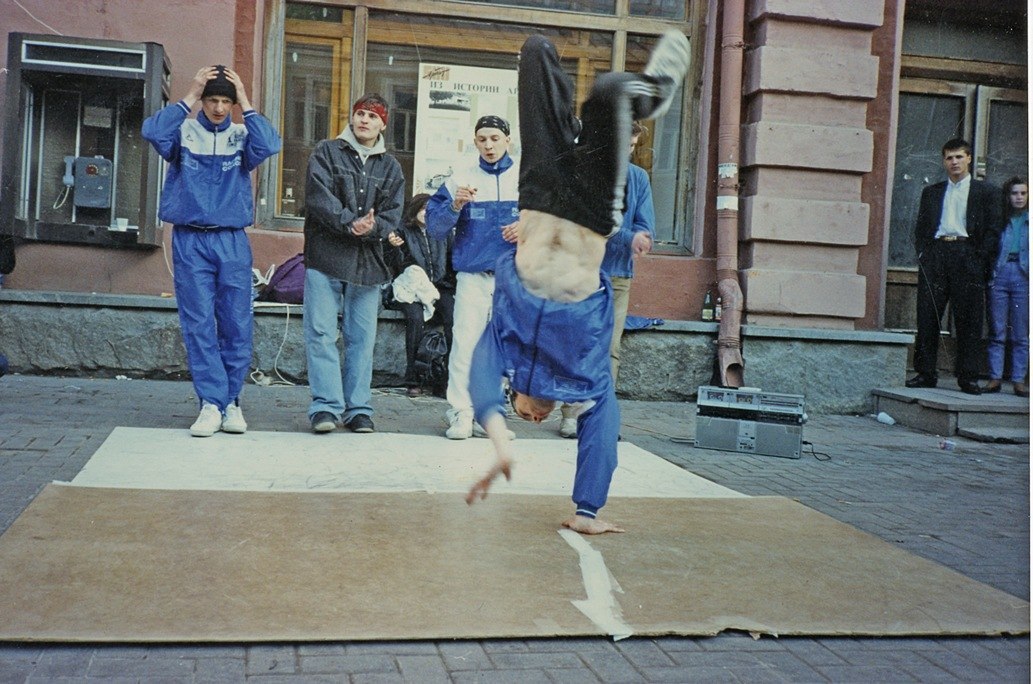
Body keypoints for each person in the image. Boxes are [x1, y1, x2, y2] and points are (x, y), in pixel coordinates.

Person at [465, 31, 690, 534]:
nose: (535, 417)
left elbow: (479, 378)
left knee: (536, 51)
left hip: (540, 197)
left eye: (523, 418)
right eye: (532, 421)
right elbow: (602, 436)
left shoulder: (506, 349)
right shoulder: (586, 382)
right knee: (611, 91)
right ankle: (651, 94)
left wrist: (500, 443)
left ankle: (600, 89)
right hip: (590, 211)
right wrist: (587, 511)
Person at [141, 65, 281, 437]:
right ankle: (209, 403)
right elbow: (152, 131)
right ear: (203, 100)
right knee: (198, 321)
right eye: (212, 99)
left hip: (232, 239)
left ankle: (231, 401)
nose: (219, 107)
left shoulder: (241, 134)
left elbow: (270, 144)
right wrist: (191, 91)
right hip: (189, 238)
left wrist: (246, 101)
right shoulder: (182, 132)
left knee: (236, 321)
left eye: (225, 101)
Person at [303, 94, 405, 434]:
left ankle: (359, 408)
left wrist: (372, 227)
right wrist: (350, 222)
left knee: (362, 337)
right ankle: (326, 407)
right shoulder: (326, 152)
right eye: (359, 114)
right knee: (320, 333)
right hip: (325, 255)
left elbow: (393, 213)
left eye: (372, 117)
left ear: (382, 124)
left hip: (368, 263)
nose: (364, 120)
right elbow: (319, 198)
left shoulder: (391, 167)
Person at [558, 120, 655, 439]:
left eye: (630, 146)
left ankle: (598, 416)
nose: (624, 152)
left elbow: (645, 223)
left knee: (610, 347)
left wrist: (643, 237)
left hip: (618, 273)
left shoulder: (638, 178)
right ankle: (572, 412)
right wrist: (628, 236)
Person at [426, 115, 519, 440]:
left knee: (502, 349)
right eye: (482, 139)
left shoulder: (527, 177)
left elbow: (554, 223)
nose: (489, 145)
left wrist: (529, 225)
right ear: (475, 141)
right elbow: (434, 228)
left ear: (508, 139)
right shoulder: (461, 177)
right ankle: (461, 414)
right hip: (473, 276)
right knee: (465, 345)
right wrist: (454, 205)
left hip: (513, 278)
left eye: (495, 138)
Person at [906, 139, 1002, 395]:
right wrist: (925, 255)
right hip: (937, 254)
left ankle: (968, 377)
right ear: (944, 161)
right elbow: (922, 228)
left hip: (967, 254)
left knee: (968, 319)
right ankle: (925, 373)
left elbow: (994, 231)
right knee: (928, 316)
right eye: (949, 158)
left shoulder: (987, 192)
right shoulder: (933, 192)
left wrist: (980, 259)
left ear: (969, 158)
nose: (954, 162)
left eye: (959, 157)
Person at [385, 193, 456, 397]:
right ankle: (413, 379)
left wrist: (453, 285)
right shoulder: (402, 231)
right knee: (415, 319)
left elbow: (452, 261)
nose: (427, 213)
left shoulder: (443, 232)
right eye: (423, 208)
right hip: (411, 289)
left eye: (431, 209)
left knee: (452, 318)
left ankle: (445, 379)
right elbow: (395, 264)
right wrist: (393, 247)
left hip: (439, 287)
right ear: (415, 209)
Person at [984, 176, 1029, 397]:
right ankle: (995, 377)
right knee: (997, 329)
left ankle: (1019, 380)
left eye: (1023, 193)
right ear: (1008, 196)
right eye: (1014, 193)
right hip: (1000, 273)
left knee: (1021, 332)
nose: (1019, 197)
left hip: (1024, 276)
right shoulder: (1000, 219)